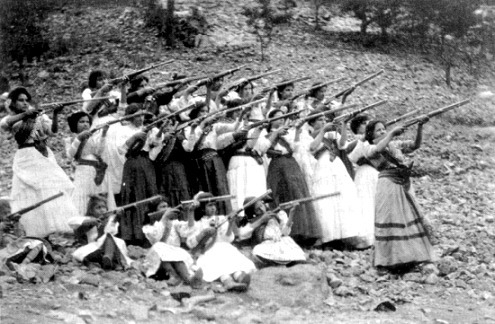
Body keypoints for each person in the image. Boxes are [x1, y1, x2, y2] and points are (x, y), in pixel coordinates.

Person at [0, 87, 78, 238]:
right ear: (13, 103)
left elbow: (52, 131)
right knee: (29, 191)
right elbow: (5, 124)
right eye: (20, 100)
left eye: (26, 100)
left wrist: (55, 114)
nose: (24, 103)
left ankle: (52, 229)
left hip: (42, 154)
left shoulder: (38, 116)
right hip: (25, 155)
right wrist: (25, 114)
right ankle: (34, 231)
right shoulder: (13, 118)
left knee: (50, 188)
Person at [364, 119, 436, 272]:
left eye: (384, 129)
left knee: (406, 217)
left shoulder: (395, 145)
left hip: (402, 183)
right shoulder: (368, 147)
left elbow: (415, 145)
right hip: (388, 184)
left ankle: (410, 256)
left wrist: (420, 127)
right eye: (379, 130)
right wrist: (391, 134)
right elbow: (377, 150)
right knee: (391, 218)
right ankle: (389, 260)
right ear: (370, 134)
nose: (383, 132)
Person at [308, 112, 368, 249]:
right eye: (319, 120)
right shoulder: (310, 135)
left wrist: (344, 125)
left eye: (324, 119)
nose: (323, 122)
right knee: (326, 201)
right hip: (322, 166)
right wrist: (323, 131)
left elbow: (343, 145)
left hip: (336, 165)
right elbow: (312, 148)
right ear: (312, 123)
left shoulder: (331, 134)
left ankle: (344, 234)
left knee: (344, 197)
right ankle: (329, 237)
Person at [262, 109, 321, 245]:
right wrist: (276, 134)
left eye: (283, 117)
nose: (282, 119)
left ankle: (304, 232)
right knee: (284, 194)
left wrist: (297, 131)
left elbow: (294, 147)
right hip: (278, 166)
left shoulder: (286, 133)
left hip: (291, 164)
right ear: (270, 120)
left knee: (297, 193)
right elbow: (266, 148)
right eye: (278, 117)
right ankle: (289, 231)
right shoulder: (267, 134)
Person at [186, 192, 256, 292]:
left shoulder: (222, 218)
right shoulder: (199, 223)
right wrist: (203, 233)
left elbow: (228, 239)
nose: (213, 208)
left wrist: (230, 223)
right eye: (209, 205)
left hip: (224, 247)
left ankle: (240, 277)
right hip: (208, 251)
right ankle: (227, 281)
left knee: (231, 259)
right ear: (202, 208)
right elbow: (191, 243)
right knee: (217, 263)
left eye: (214, 205)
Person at [118, 103, 158, 246]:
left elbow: (155, 144)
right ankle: (132, 233)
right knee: (133, 194)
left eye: (142, 115)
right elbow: (121, 150)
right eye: (137, 115)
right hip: (132, 163)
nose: (140, 118)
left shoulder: (148, 129)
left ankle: (148, 233)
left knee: (149, 193)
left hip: (146, 162)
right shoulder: (123, 130)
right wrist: (134, 137)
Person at [141, 200, 203, 288]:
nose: (166, 208)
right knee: (159, 247)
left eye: (167, 206)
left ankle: (189, 279)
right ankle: (173, 276)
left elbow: (188, 230)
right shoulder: (149, 226)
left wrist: (191, 211)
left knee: (178, 256)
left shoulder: (174, 223)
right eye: (162, 207)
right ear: (154, 210)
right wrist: (164, 218)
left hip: (174, 255)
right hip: (159, 259)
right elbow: (156, 238)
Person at [69, 195, 133, 270]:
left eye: (104, 207)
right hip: (94, 248)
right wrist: (91, 221)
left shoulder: (108, 220)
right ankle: (108, 260)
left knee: (110, 237)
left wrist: (116, 218)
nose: (102, 210)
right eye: (98, 208)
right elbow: (71, 222)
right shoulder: (89, 219)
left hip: (108, 246)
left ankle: (108, 258)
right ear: (91, 210)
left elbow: (112, 231)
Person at [65, 111, 110, 215]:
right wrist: (79, 139)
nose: (85, 124)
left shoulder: (92, 138)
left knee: (98, 197)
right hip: (83, 171)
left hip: (96, 171)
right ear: (75, 124)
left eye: (87, 122)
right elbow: (70, 155)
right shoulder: (71, 139)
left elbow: (99, 152)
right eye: (81, 122)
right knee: (83, 196)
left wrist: (103, 133)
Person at [242, 197, 306, 267]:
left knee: (288, 244)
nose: (262, 209)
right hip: (266, 245)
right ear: (253, 212)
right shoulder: (253, 221)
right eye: (258, 209)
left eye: (261, 205)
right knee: (257, 250)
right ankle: (282, 262)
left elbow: (285, 233)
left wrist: (291, 215)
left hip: (281, 242)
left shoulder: (277, 215)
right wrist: (261, 220)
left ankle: (287, 261)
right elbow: (242, 234)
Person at [348, 115, 377, 246]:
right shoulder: (356, 141)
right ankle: (366, 236)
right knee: (365, 203)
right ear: (357, 127)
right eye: (364, 123)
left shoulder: (373, 139)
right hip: (364, 173)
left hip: (375, 172)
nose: (367, 125)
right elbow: (352, 155)